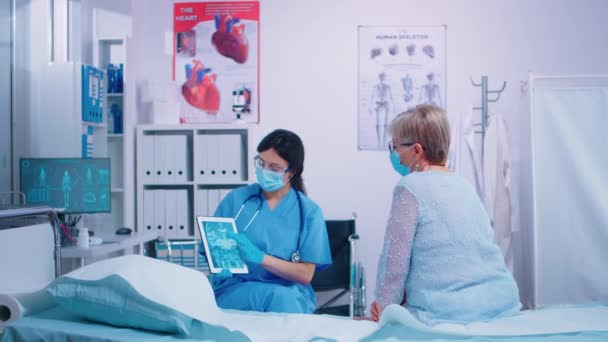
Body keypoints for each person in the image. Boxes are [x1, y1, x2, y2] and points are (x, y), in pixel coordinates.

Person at [371, 105, 521, 325]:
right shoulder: (464, 185)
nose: (393, 153)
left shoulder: (409, 187)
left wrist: (384, 311)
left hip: (447, 314)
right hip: (503, 305)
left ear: (416, 151)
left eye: (394, 146)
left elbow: (394, 265)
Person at [211, 129, 332, 313]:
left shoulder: (309, 212)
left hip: (290, 295)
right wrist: (221, 262)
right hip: (235, 290)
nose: (264, 171)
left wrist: (260, 258)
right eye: (261, 163)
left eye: (274, 168)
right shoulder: (236, 200)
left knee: (282, 299)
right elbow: (216, 248)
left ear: (291, 171)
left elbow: (306, 274)